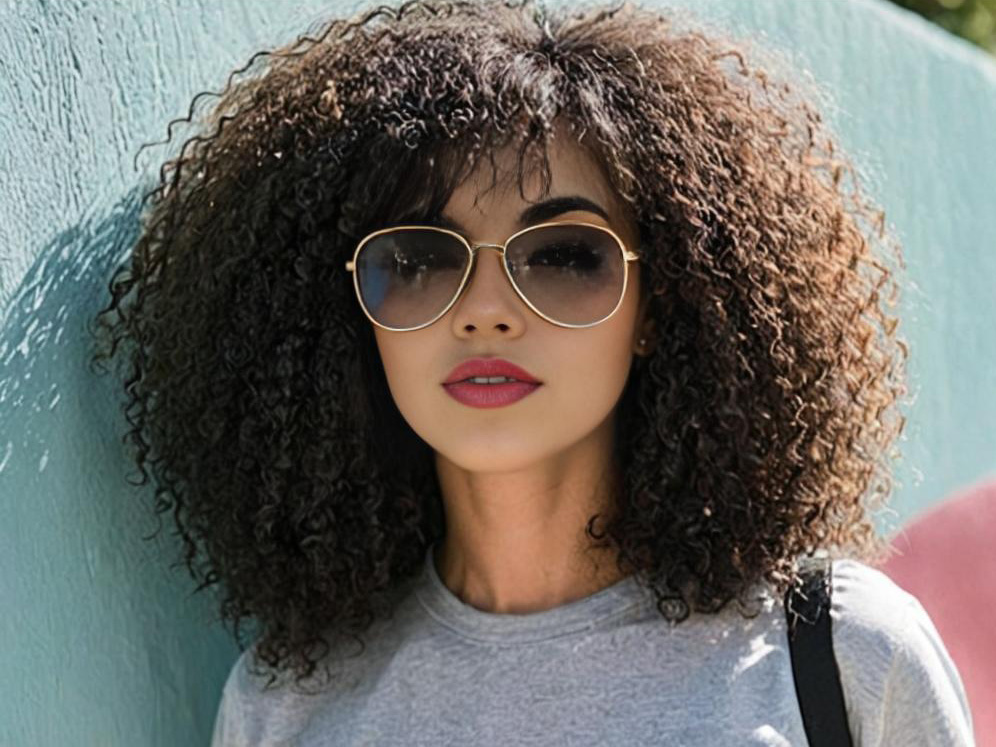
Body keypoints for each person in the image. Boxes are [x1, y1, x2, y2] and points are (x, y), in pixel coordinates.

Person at [89, 0, 976, 743]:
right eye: (420, 258)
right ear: (354, 314)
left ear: (660, 306)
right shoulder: (288, 701)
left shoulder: (840, 650)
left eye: (562, 255)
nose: (485, 309)